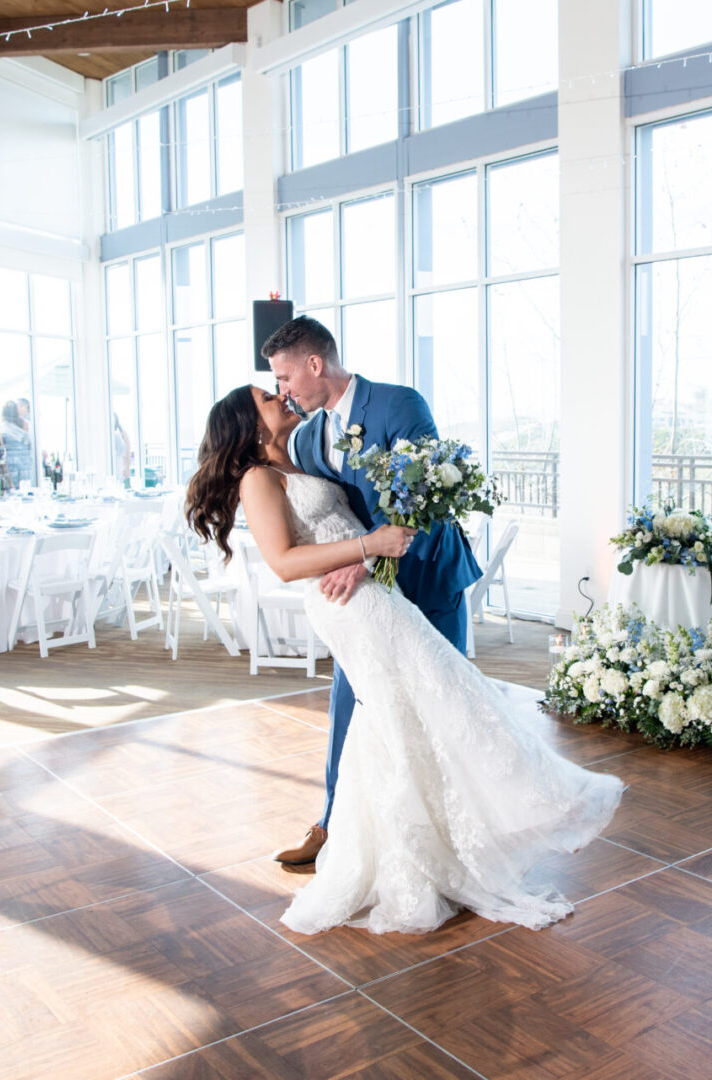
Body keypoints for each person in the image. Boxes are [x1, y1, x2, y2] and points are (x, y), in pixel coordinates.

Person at [186, 384, 623, 934]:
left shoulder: (296, 459)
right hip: (349, 605)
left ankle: (434, 847)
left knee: (417, 709)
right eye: (268, 399)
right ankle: (426, 850)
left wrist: (372, 549)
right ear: (249, 426)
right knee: (420, 702)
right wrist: (370, 546)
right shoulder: (257, 478)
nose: (282, 398)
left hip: (374, 591)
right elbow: (284, 562)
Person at [261, 316, 485, 869]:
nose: (285, 392)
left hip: (428, 578)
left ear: (316, 364)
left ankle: (455, 833)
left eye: (286, 377)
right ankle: (333, 824)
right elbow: (331, 515)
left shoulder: (398, 404)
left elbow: (425, 500)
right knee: (348, 707)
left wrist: (365, 561)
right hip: (364, 602)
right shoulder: (310, 437)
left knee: (442, 704)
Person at [0, 400, 34, 491]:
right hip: (26, 465)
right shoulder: (25, 424)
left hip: (11, 466)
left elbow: (1, 453)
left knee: (13, 494)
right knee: (27, 492)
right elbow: (29, 445)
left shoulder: (2, 429)